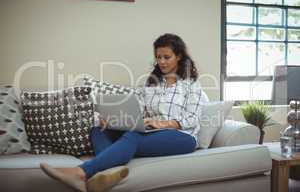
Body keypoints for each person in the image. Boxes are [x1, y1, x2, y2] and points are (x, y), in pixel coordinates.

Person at [40, 33, 209, 192]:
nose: (161, 62)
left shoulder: (191, 85)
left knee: (132, 137)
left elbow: (192, 119)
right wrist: (117, 119)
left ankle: (80, 173)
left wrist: (163, 123)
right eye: (158, 57)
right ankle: (106, 175)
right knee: (99, 130)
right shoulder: (151, 84)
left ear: (178, 56)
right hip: (151, 131)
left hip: (182, 136)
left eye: (167, 57)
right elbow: (139, 111)